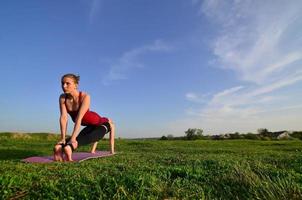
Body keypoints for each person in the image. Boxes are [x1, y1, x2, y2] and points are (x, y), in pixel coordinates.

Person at [53, 73, 115, 162]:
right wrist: (63, 138)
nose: (64, 86)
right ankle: (60, 147)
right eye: (62, 83)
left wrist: (73, 139)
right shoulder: (63, 98)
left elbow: (79, 118)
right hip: (89, 125)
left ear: (76, 85)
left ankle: (68, 147)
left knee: (94, 132)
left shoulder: (85, 96)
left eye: (67, 83)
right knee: (82, 137)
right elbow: (63, 118)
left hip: (97, 121)